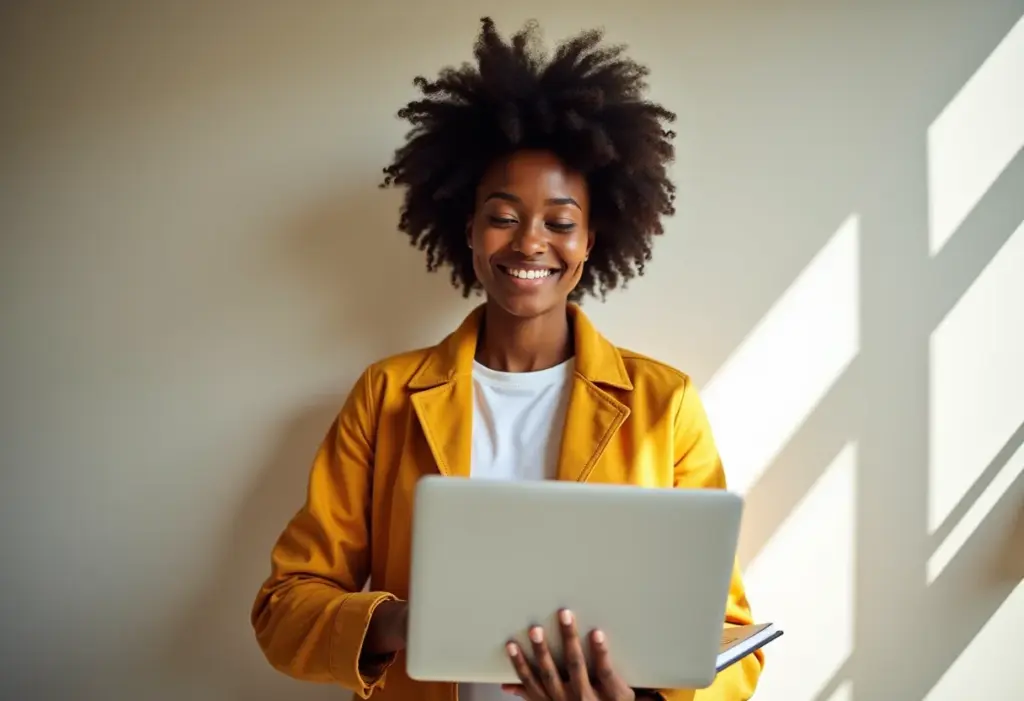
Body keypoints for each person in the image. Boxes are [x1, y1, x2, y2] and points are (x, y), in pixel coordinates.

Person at [251, 16, 763, 701]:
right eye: (502, 215)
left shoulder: (664, 403)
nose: (529, 243)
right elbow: (283, 609)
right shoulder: (386, 394)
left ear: (590, 239)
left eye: (559, 221)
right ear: (466, 226)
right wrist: (405, 621)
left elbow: (731, 640)